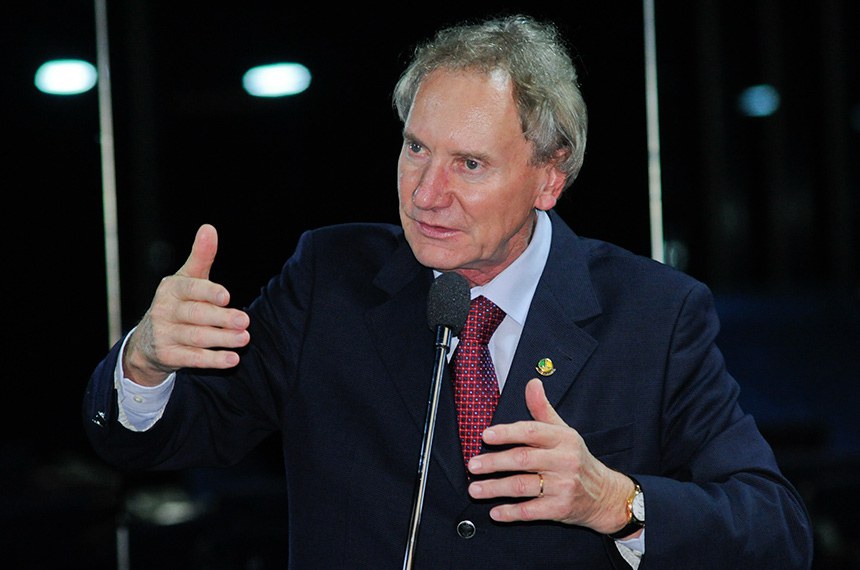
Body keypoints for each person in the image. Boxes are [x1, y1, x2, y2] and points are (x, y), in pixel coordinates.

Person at [83, 13, 813, 569]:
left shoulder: (654, 314)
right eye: (415, 149)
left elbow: (777, 532)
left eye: (469, 164)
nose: (426, 194)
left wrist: (615, 502)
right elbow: (162, 441)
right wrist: (144, 366)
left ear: (549, 176)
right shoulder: (328, 279)